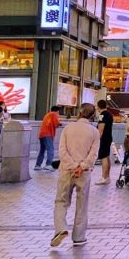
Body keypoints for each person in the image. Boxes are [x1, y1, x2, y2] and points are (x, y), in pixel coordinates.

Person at [51, 103, 99, 248]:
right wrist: (81, 166)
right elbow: (93, 154)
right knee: (82, 204)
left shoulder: (68, 128)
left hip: (66, 170)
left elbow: (62, 150)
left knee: (61, 201)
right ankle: (79, 237)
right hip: (84, 173)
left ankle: (60, 228)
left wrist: (72, 165)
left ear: (79, 112)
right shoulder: (94, 132)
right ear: (92, 115)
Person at [94, 100, 114, 186]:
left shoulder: (102, 115)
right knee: (107, 156)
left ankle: (104, 177)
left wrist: (97, 139)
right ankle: (107, 177)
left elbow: (101, 128)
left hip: (103, 139)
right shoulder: (109, 114)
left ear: (98, 106)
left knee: (103, 157)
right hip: (108, 137)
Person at [35, 106, 61, 171]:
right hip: (48, 134)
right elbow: (56, 124)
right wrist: (60, 124)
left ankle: (37, 165)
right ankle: (48, 164)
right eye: (58, 112)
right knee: (50, 149)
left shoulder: (47, 115)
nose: (58, 113)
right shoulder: (54, 114)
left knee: (42, 150)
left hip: (42, 134)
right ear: (57, 111)